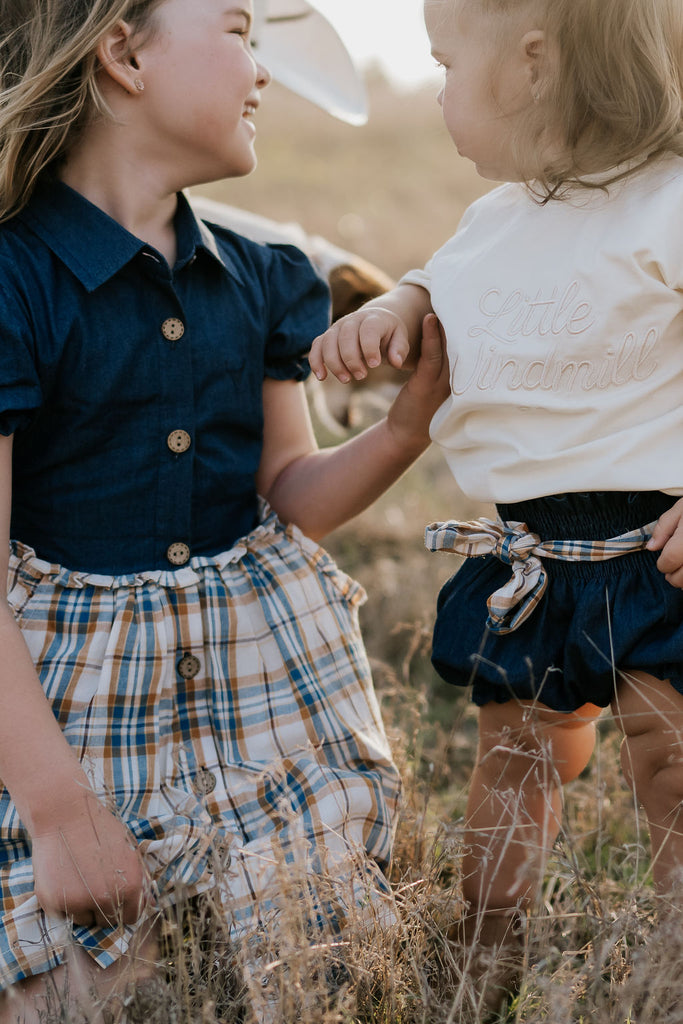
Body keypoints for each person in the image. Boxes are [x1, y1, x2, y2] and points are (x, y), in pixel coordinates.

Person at [0, 1, 451, 1021]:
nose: (263, 71)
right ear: (122, 53)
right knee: (75, 989)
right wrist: (60, 812)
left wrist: (402, 430)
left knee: (319, 965)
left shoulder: (264, 278)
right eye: (241, 32)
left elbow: (287, 495)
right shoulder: (15, 281)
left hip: (256, 686)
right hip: (71, 704)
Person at [310, 0, 683, 1008]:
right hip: (526, 555)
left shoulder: (667, 201)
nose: (436, 91)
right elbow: (443, 283)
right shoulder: (494, 218)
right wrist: (398, 307)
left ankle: (672, 957)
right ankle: (487, 948)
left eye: (443, 65)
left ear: (531, 63)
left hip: (654, 547)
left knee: (667, 757)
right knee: (513, 755)